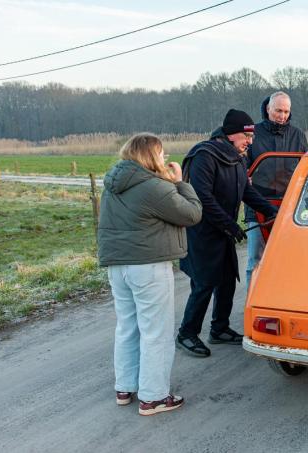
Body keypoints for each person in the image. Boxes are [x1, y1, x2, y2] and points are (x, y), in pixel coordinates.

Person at [98, 133, 202, 416]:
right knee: (156, 331)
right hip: (148, 266)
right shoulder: (153, 187)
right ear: (151, 156)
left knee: (127, 326)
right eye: (162, 153)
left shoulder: (113, 184)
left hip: (117, 266)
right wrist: (180, 182)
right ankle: (154, 397)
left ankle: (125, 386)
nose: (165, 158)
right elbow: (192, 214)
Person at [177, 109, 278, 358]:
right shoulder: (205, 156)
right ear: (232, 134)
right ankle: (187, 333)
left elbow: (246, 191)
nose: (250, 141)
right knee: (203, 283)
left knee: (226, 279)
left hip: (223, 230)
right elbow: (203, 198)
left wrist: (275, 212)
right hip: (202, 231)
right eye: (247, 136)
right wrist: (230, 225)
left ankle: (219, 328)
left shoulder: (237, 158)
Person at [245, 91, 308, 288]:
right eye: (278, 110)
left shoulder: (298, 135)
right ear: (268, 109)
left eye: (286, 111)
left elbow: (307, 168)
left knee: (291, 257)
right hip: (258, 204)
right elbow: (242, 167)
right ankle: (252, 302)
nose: (282, 116)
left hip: (290, 204)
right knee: (256, 258)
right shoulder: (252, 133)